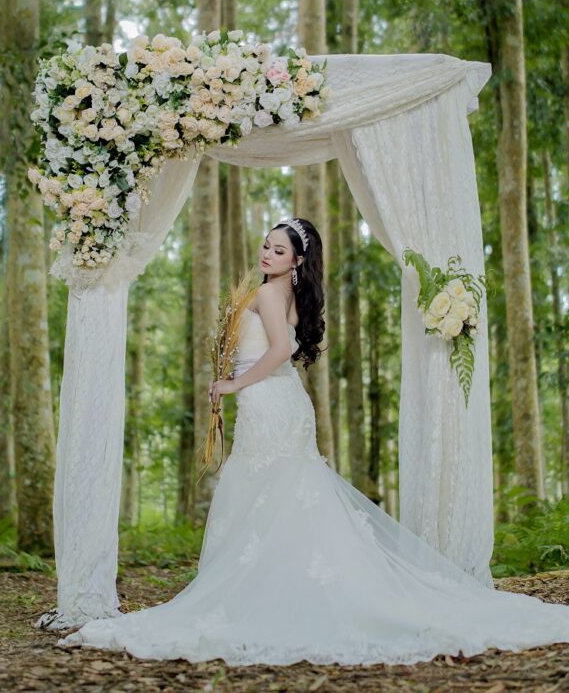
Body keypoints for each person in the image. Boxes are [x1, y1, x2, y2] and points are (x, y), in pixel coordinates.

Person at [58, 218, 569, 666]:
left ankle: (260, 599)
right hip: (283, 404)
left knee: (262, 493)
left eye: (279, 250)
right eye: (265, 246)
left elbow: (280, 349)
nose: (267, 254)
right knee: (279, 497)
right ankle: (280, 591)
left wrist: (233, 383)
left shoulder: (265, 294)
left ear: (297, 259)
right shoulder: (285, 293)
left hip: (267, 402)